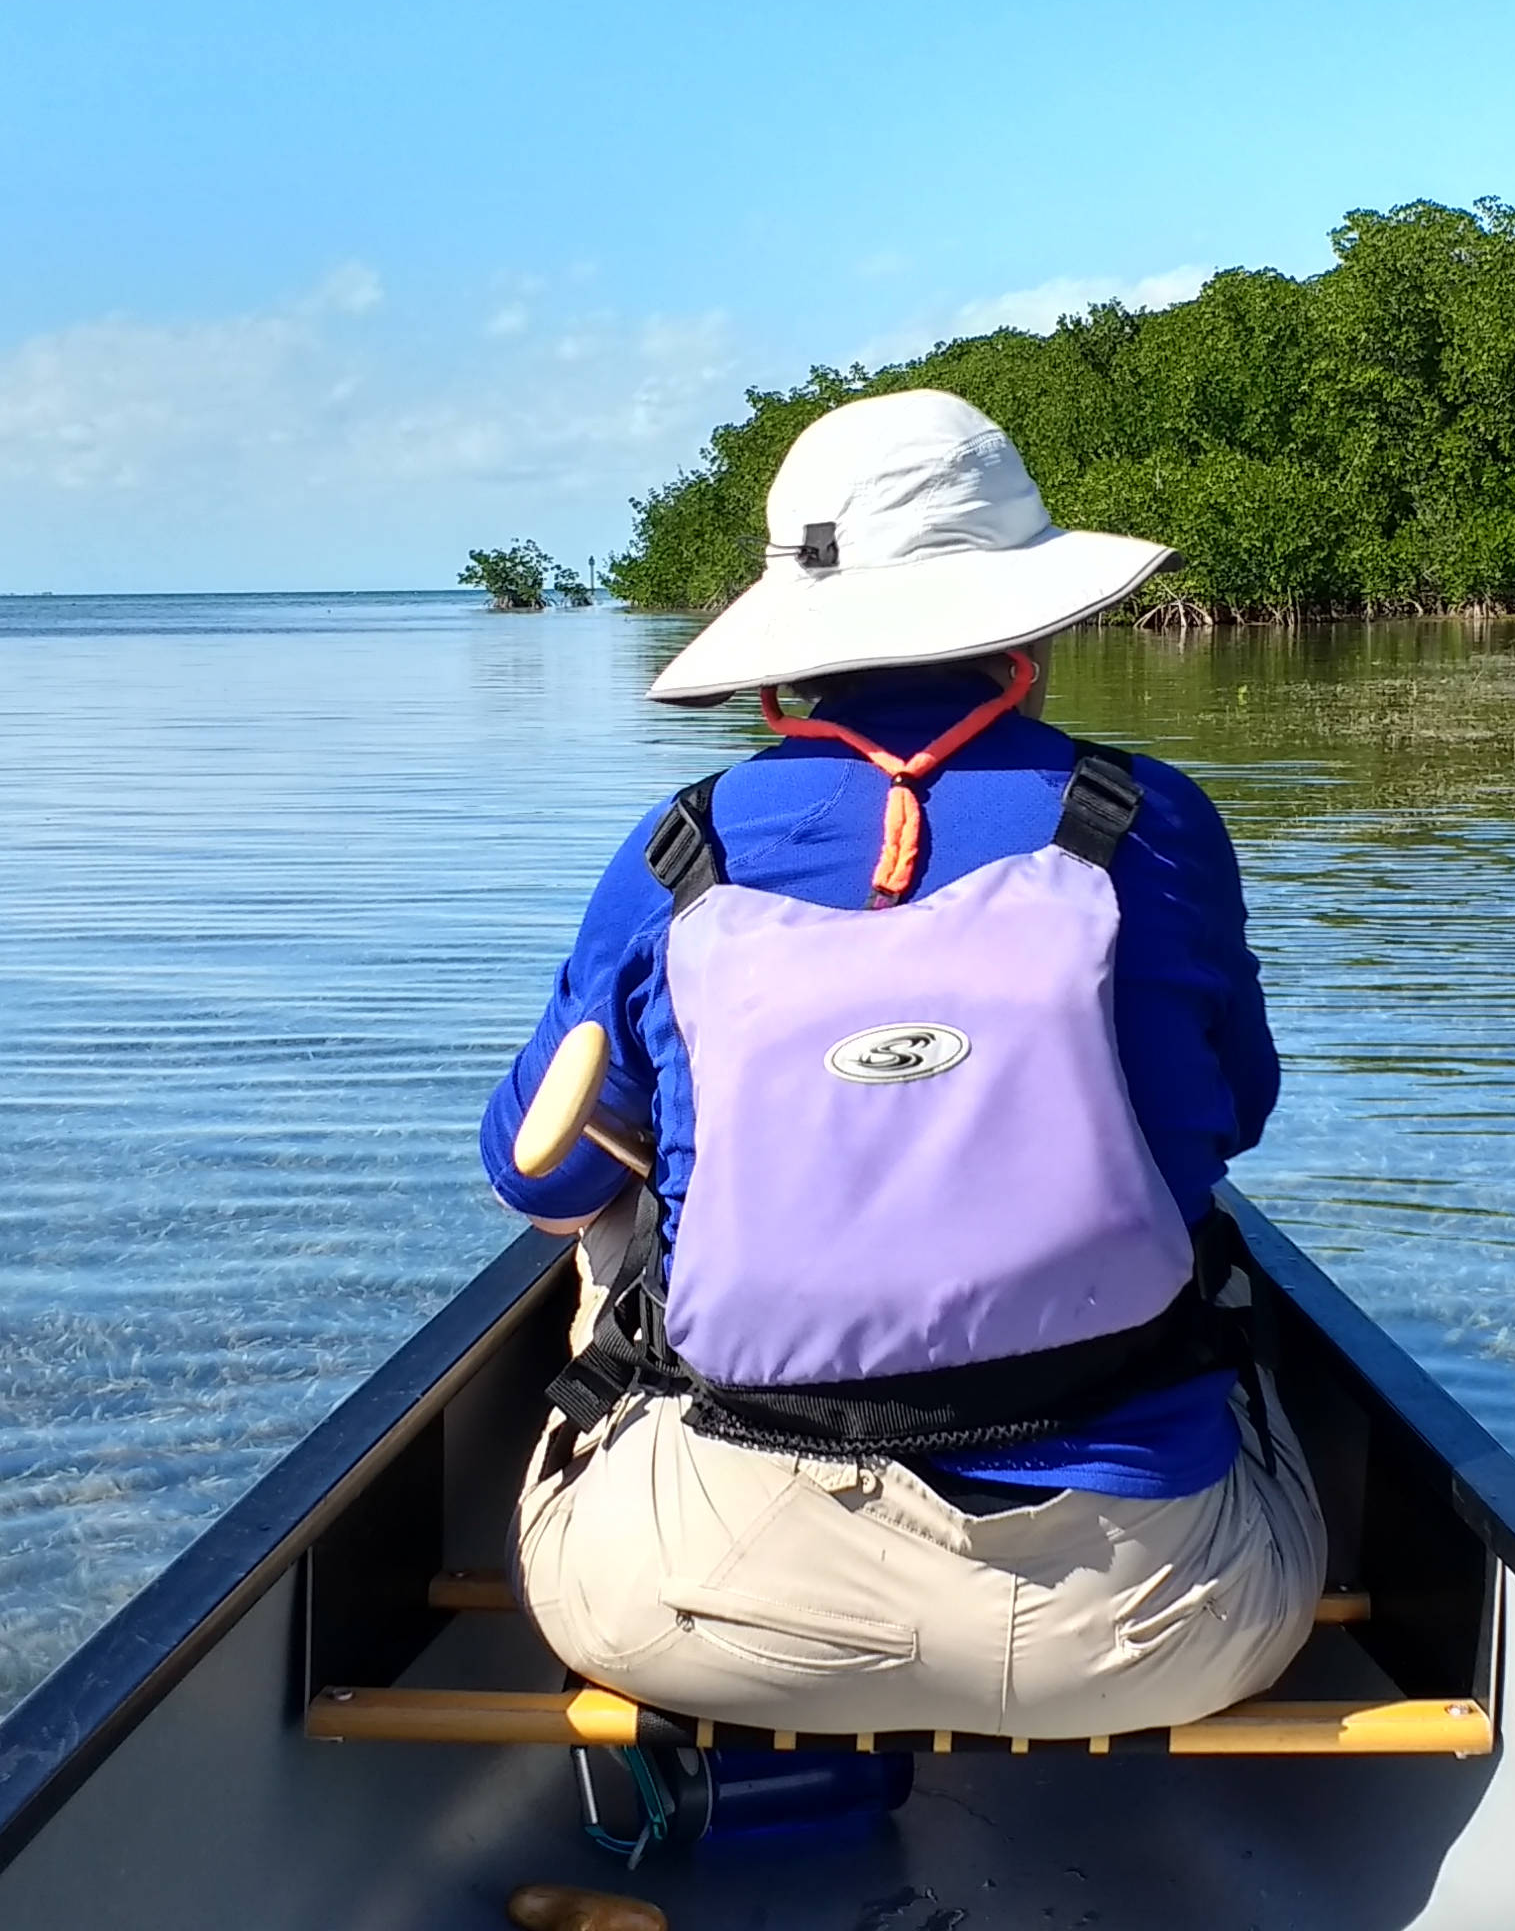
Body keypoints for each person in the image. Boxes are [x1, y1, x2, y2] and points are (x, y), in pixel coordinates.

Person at [480, 388, 1326, 1742]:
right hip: (1139, 1630)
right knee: (1213, 1258)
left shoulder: (674, 851)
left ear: (789, 651)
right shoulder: (1151, 820)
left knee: (617, 1219)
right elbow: (1238, 1114)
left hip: (703, 1615)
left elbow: (543, 1174)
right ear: (1027, 623)